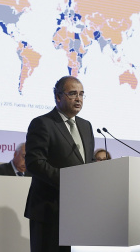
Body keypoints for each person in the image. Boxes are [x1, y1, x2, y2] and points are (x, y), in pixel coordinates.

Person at [24, 76, 95, 252]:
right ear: (58, 97)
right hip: (50, 209)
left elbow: (88, 162)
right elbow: (35, 162)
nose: (78, 99)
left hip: (79, 211)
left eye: (81, 94)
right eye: (72, 94)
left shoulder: (86, 126)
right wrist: (69, 181)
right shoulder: (43, 123)